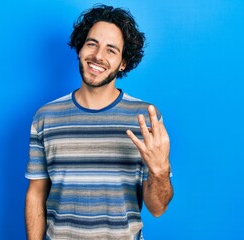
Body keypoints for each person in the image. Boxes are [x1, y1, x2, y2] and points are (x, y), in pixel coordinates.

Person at [25, 4, 173, 240]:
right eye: (92, 43)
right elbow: (36, 194)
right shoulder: (46, 117)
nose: (98, 56)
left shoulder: (146, 119)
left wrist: (160, 171)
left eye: (111, 50)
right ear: (80, 48)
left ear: (123, 62)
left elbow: (158, 208)